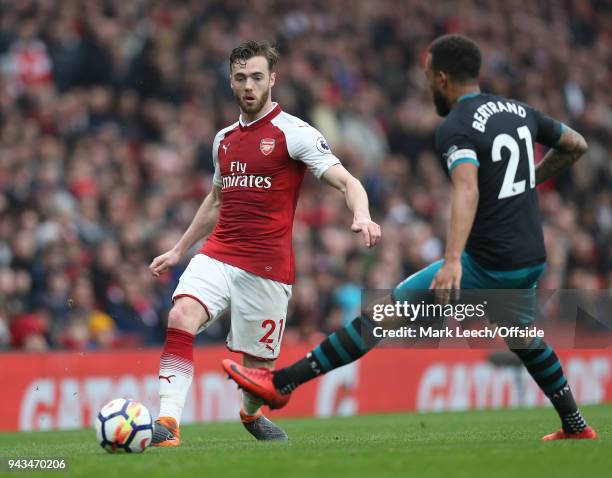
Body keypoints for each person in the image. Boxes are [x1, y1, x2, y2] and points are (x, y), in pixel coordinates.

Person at [223, 34, 597, 441]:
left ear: (441, 78)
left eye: (426, 77)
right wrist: (527, 181)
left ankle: (283, 384)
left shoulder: (456, 124)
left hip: (486, 262)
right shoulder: (519, 110)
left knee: (382, 316)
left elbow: (467, 187)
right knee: (523, 337)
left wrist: (453, 260)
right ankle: (575, 425)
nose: (426, 85)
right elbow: (575, 144)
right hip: (530, 256)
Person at [148, 40, 381, 445]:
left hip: (268, 270)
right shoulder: (223, 139)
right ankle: (167, 424)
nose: (249, 86)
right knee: (181, 315)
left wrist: (361, 214)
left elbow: (348, 181)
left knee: (257, 377)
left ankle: (250, 415)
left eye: (257, 77)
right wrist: (180, 249)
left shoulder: (295, 133)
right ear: (231, 82)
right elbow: (217, 199)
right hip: (218, 254)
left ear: (272, 79)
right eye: (241, 78)